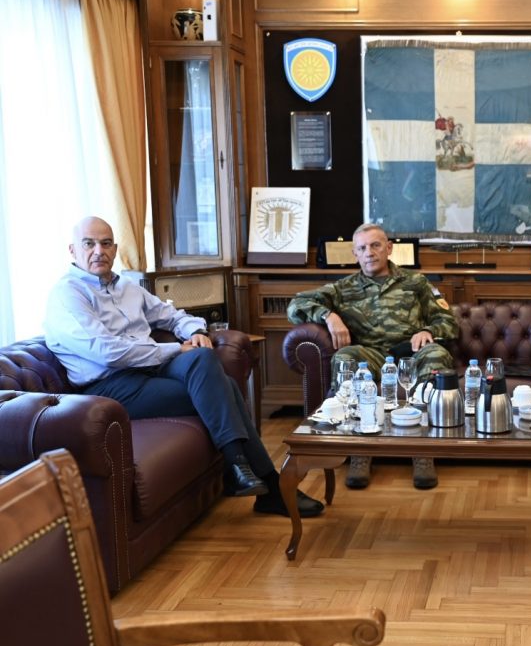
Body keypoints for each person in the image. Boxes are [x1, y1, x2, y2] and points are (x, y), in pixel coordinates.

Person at [44, 217, 324, 518]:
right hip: (112, 387)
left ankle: (242, 472)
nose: (99, 251)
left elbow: (172, 315)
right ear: (73, 250)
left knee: (203, 358)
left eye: (106, 243)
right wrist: (175, 349)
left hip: (149, 370)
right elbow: (107, 352)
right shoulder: (68, 295)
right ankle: (262, 481)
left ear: (115, 248)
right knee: (226, 387)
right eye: (89, 243)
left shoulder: (126, 287)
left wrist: (196, 332)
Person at [287, 223, 458, 490]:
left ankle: (423, 451)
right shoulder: (343, 288)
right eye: (362, 248)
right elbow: (295, 305)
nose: (369, 252)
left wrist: (428, 331)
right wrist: (328, 316)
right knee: (345, 357)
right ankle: (360, 449)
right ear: (355, 253)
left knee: (436, 354)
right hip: (370, 354)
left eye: (376, 245)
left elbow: (447, 321)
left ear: (389, 248)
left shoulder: (416, 282)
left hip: (411, 353)